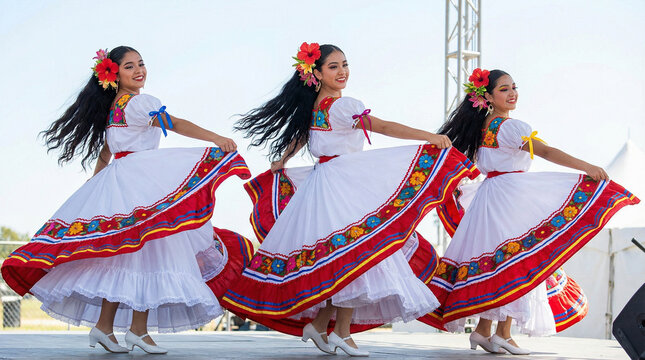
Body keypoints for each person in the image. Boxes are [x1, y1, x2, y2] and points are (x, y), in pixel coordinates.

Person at [221, 42, 479, 356]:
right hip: (342, 184)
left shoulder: (318, 106)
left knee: (343, 257)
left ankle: (320, 325)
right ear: (316, 72)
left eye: (345, 64)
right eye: (334, 66)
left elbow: (303, 136)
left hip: (326, 183)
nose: (342, 71)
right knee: (356, 253)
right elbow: (380, 126)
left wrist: (283, 159)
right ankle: (340, 332)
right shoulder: (342, 106)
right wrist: (427, 136)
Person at [0, 46, 252, 354]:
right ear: (113, 74)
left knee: (123, 255)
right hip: (139, 184)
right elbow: (172, 123)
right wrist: (214, 138)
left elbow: (107, 154)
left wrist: (94, 188)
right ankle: (137, 331)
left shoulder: (113, 109)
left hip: (120, 182)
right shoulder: (139, 103)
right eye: (129, 66)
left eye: (141, 64)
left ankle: (106, 328)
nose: (139, 70)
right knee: (146, 252)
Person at [418, 68, 639, 354]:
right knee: (520, 261)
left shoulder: (482, 129)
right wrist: (586, 167)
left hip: (491, 198)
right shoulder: (511, 127)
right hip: (510, 197)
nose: (512, 93)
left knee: (499, 262)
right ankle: (503, 333)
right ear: (488, 97)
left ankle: (485, 331)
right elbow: (545, 152)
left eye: (514, 87)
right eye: (504, 89)